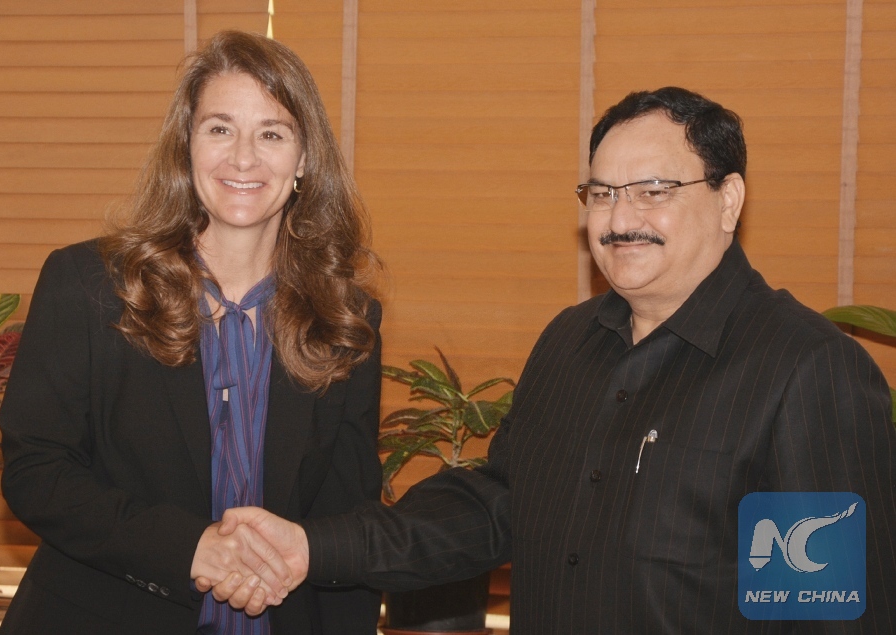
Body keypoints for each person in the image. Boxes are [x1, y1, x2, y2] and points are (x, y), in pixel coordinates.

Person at [211, 87, 896, 633]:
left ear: (729, 200)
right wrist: (310, 547)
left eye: (653, 191)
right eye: (602, 194)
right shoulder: (569, 342)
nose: (620, 219)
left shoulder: (806, 371)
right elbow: (496, 507)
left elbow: (836, 617)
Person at [0, 30, 383, 634]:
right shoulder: (89, 285)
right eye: (220, 128)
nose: (243, 159)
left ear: (305, 159)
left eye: (272, 134)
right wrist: (189, 548)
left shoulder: (344, 318)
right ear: (186, 145)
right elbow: (36, 472)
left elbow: (344, 518)